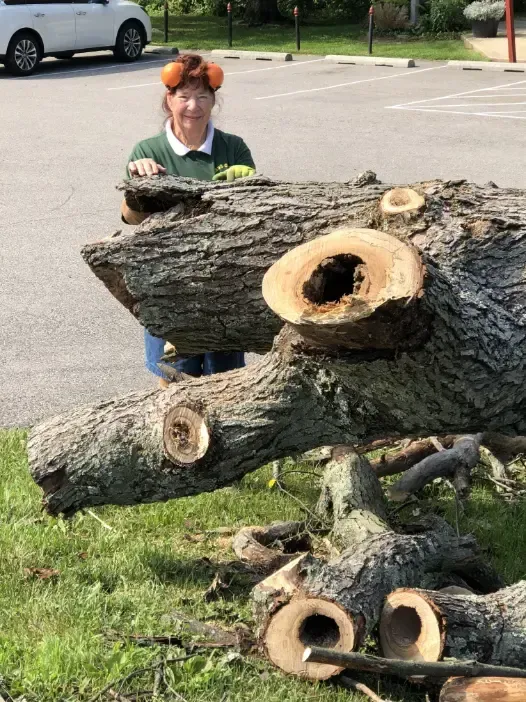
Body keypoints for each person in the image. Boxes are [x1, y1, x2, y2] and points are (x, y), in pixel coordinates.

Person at [121, 53, 256, 388]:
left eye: (202, 97)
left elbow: (253, 217)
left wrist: (246, 184)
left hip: (223, 284)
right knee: (174, 380)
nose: (193, 106)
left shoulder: (233, 148)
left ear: (214, 100)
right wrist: (141, 187)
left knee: (225, 380)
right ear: (170, 100)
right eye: (184, 97)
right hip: (167, 285)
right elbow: (130, 218)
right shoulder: (147, 151)